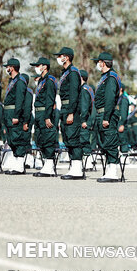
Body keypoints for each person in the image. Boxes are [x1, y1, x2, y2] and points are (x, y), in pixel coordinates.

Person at [53, 47, 85, 180]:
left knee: (73, 139)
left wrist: (71, 112)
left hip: (70, 109)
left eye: (61, 56)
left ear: (66, 57)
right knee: (67, 138)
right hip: (65, 108)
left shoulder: (72, 72)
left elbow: (73, 94)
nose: (59, 58)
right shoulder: (65, 72)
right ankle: (73, 167)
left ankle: (77, 169)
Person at [92, 52, 123, 183]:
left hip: (107, 114)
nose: (98, 65)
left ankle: (113, 172)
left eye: (99, 62)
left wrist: (106, 117)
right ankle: (109, 170)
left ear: (103, 63)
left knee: (110, 142)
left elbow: (110, 99)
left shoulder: (111, 77)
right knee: (105, 142)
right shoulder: (105, 77)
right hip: (102, 113)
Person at [30, 57, 59, 177]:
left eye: (39, 65)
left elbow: (50, 99)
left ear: (45, 66)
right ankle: (46, 165)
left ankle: (49, 166)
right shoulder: (42, 80)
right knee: (40, 138)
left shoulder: (49, 80)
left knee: (48, 138)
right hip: (38, 113)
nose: (37, 67)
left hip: (45, 113)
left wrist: (47, 117)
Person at [0, 59, 28, 174]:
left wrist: (16, 115)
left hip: (14, 113)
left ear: (12, 67)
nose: (7, 69)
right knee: (11, 139)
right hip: (8, 113)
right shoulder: (13, 81)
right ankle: (16, 163)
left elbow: (20, 100)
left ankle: (20, 166)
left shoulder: (20, 81)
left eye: (8, 67)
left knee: (17, 138)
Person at [79, 70, 95, 162]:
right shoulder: (87, 88)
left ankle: (88, 162)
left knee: (84, 140)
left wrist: (83, 120)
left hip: (85, 119)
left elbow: (84, 107)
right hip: (87, 118)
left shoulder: (84, 90)